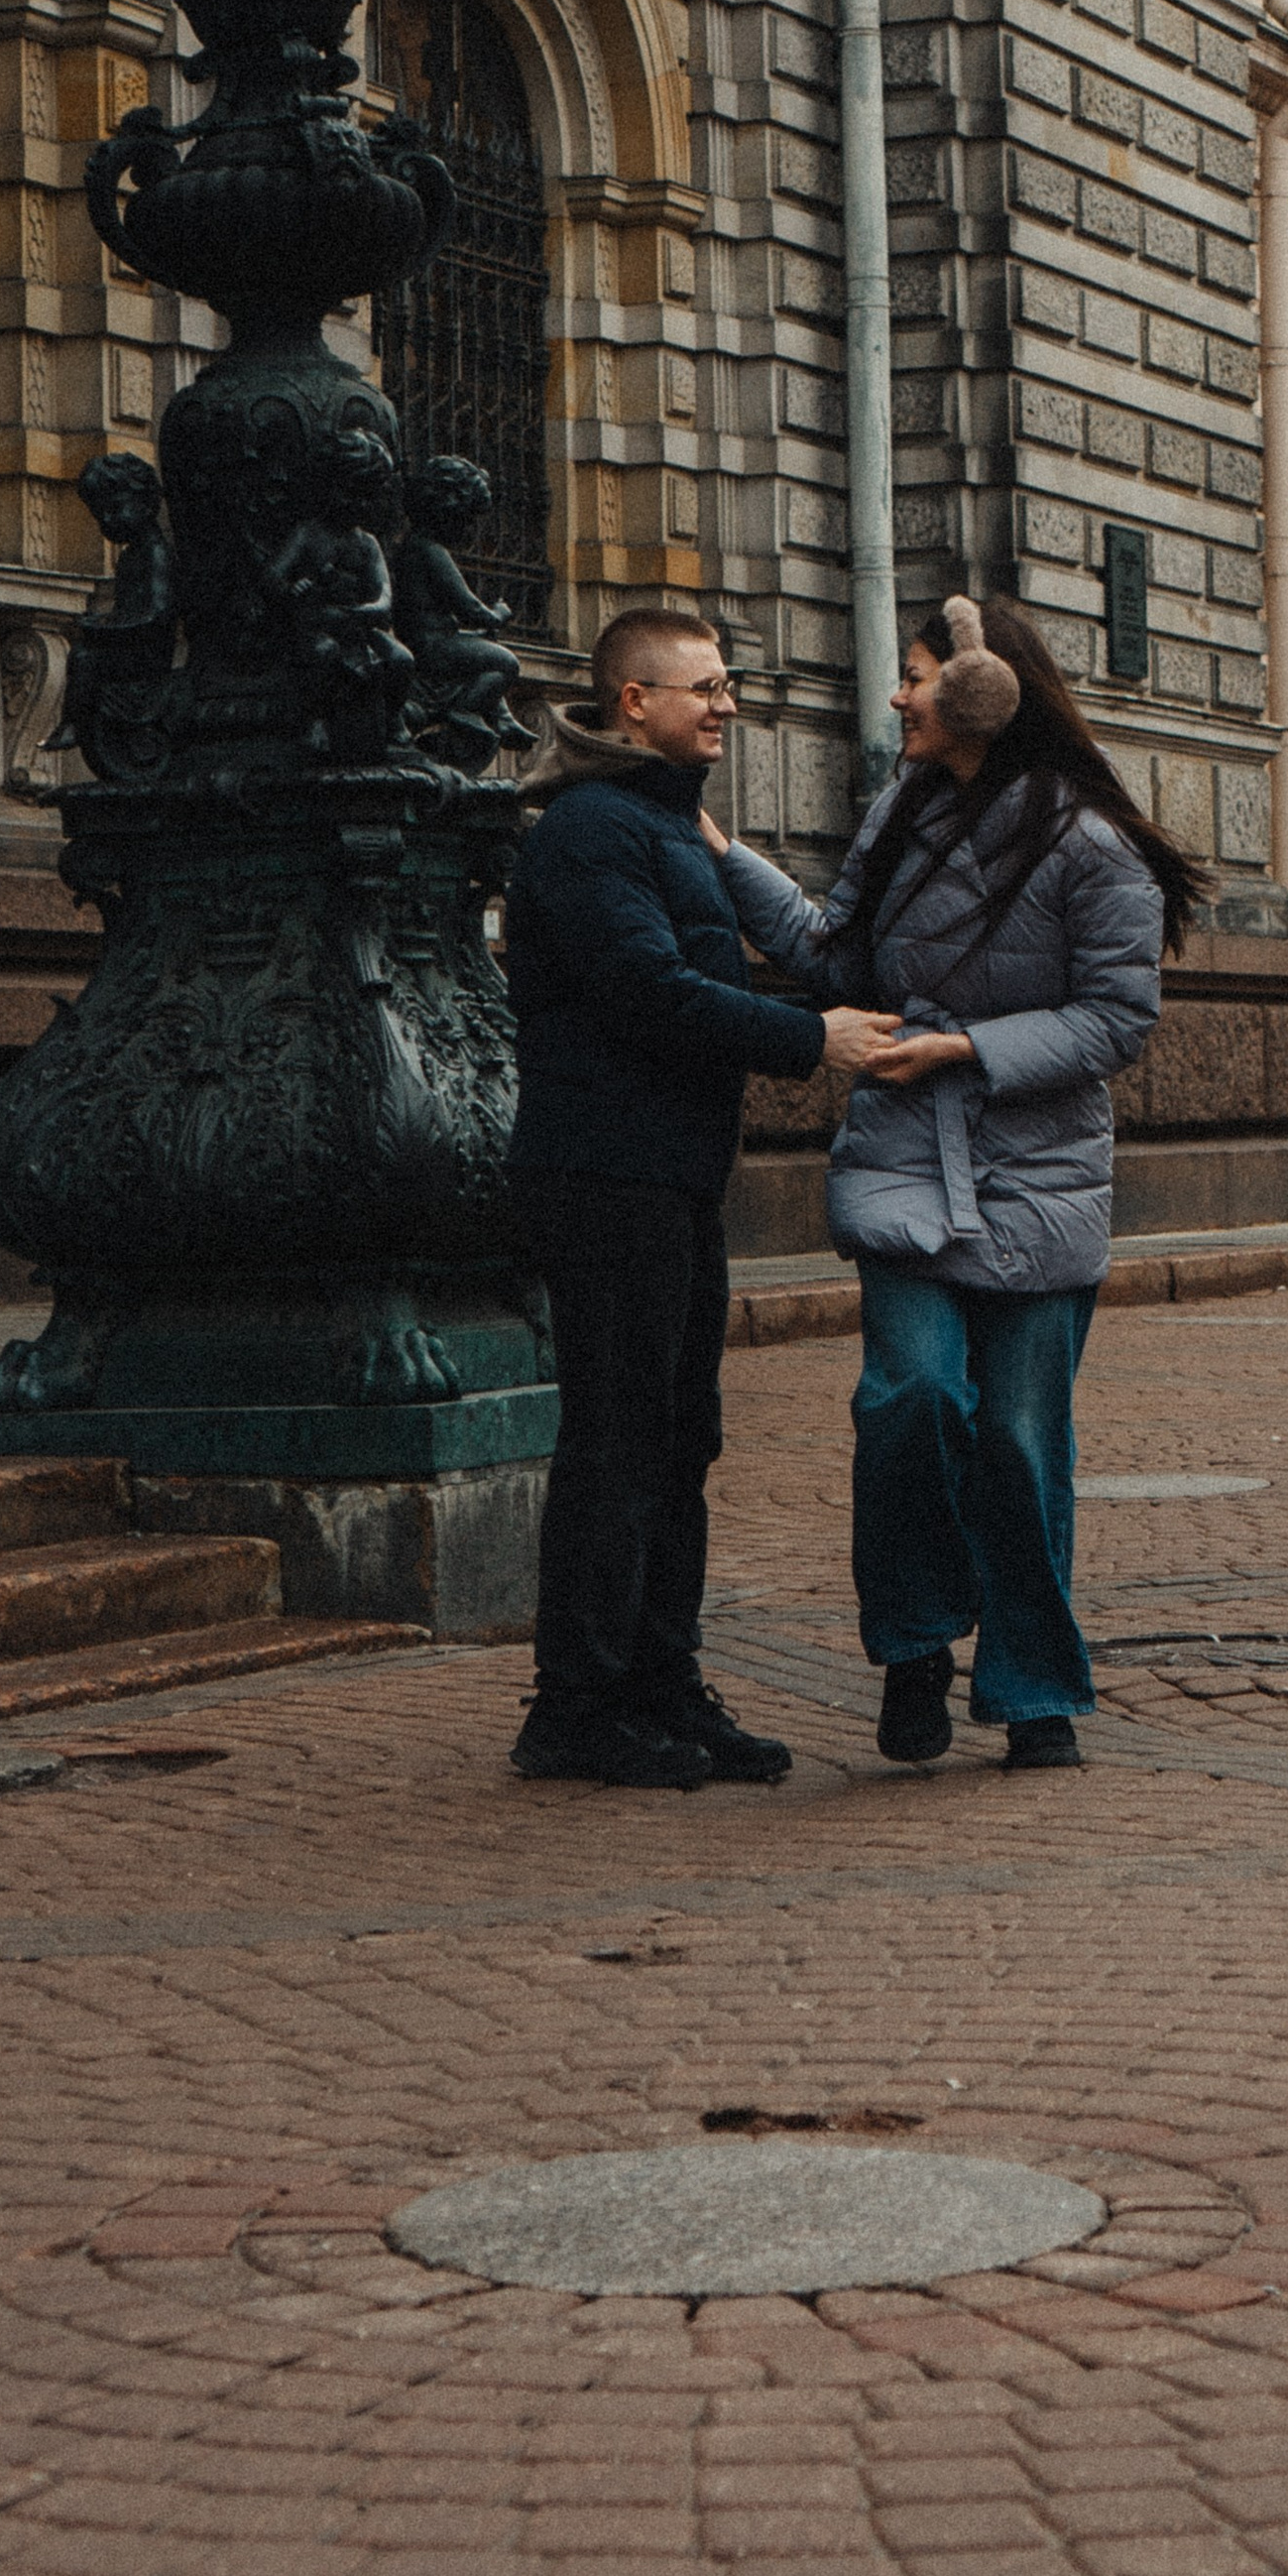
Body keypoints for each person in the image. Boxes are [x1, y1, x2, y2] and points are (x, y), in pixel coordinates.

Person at [720, 593, 1201, 1773]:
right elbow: (837, 949)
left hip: (1037, 1178)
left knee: (1024, 1442)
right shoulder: (902, 812)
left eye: (919, 673)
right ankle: (917, 1643)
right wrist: (725, 857)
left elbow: (1116, 1021)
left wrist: (970, 1049)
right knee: (909, 1401)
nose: (898, 695)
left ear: (985, 688)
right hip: (901, 1165)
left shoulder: (1093, 848)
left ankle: (1035, 1689)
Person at [506, 608, 895, 1790]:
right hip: (605, 1175)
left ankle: (660, 1687)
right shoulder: (588, 831)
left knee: (679, 1439)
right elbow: (643, 991)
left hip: (668, 1177)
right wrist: (806, 1038)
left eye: (729, 685)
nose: (727, 705)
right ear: (634, 702)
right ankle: (576, 1705)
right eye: (705, 688)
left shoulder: (663, 826)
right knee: (619, 1442)